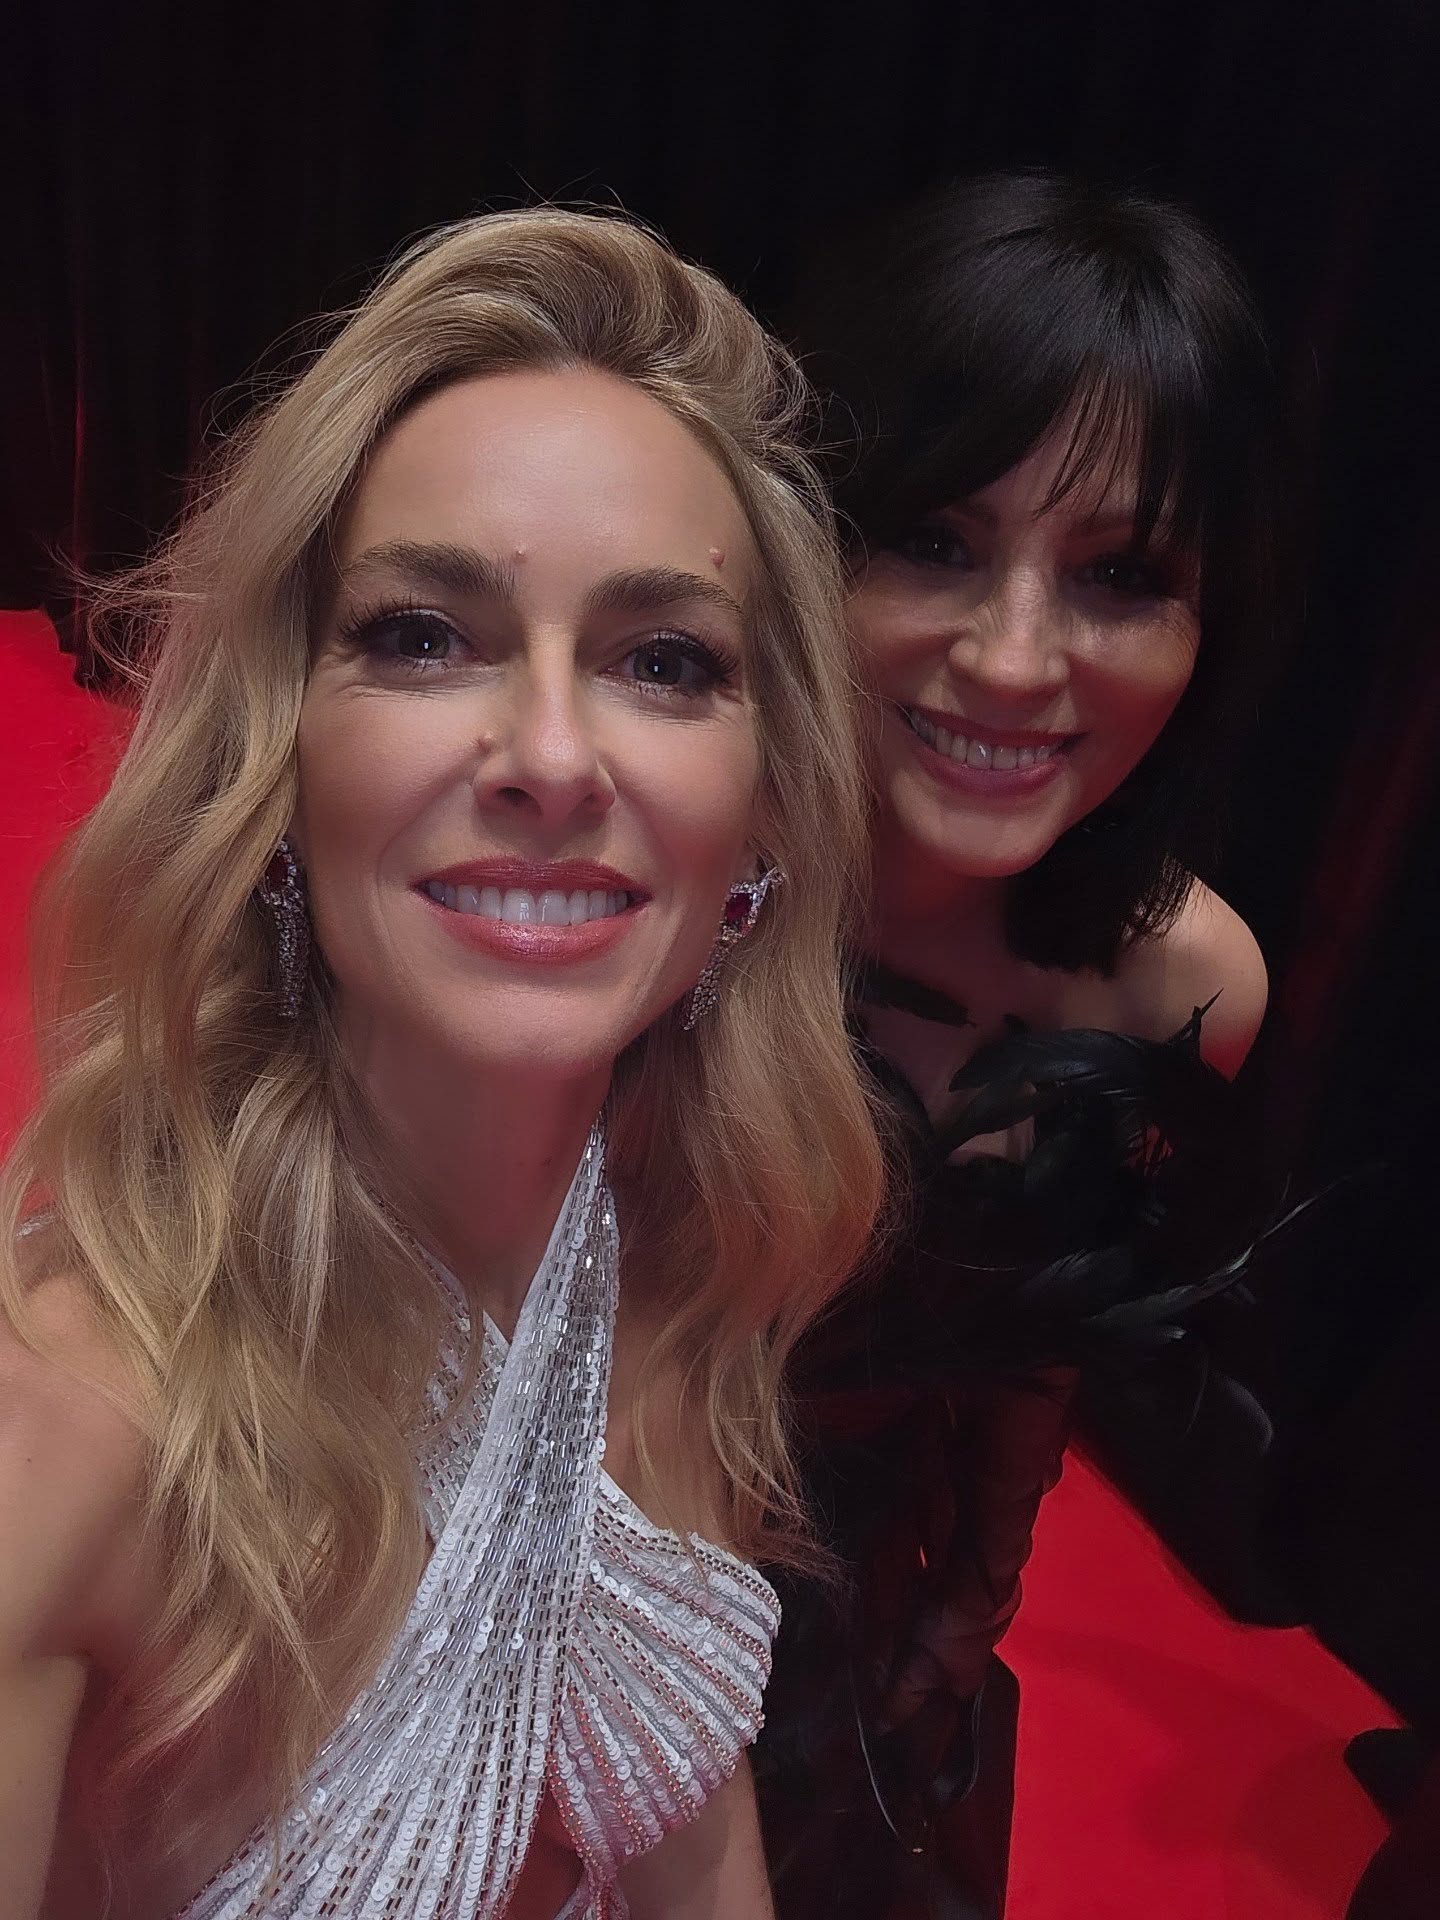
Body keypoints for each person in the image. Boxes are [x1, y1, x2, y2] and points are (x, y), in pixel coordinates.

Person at [0, 208, 888, 1919]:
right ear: (277, 760)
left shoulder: (677, 1266)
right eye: (422, 635)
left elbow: (694, 1843)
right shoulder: (66, 1437)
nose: (551, 752)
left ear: (765, 815)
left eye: (664, 661)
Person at [756, 170, 1286, 1917]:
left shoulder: (1179, 987)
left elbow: (1044, 1324)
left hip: (839, 1615)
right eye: (935, 539)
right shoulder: (650, 871)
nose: (1014, 657)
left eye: (1122, 573)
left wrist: (973, 1590)